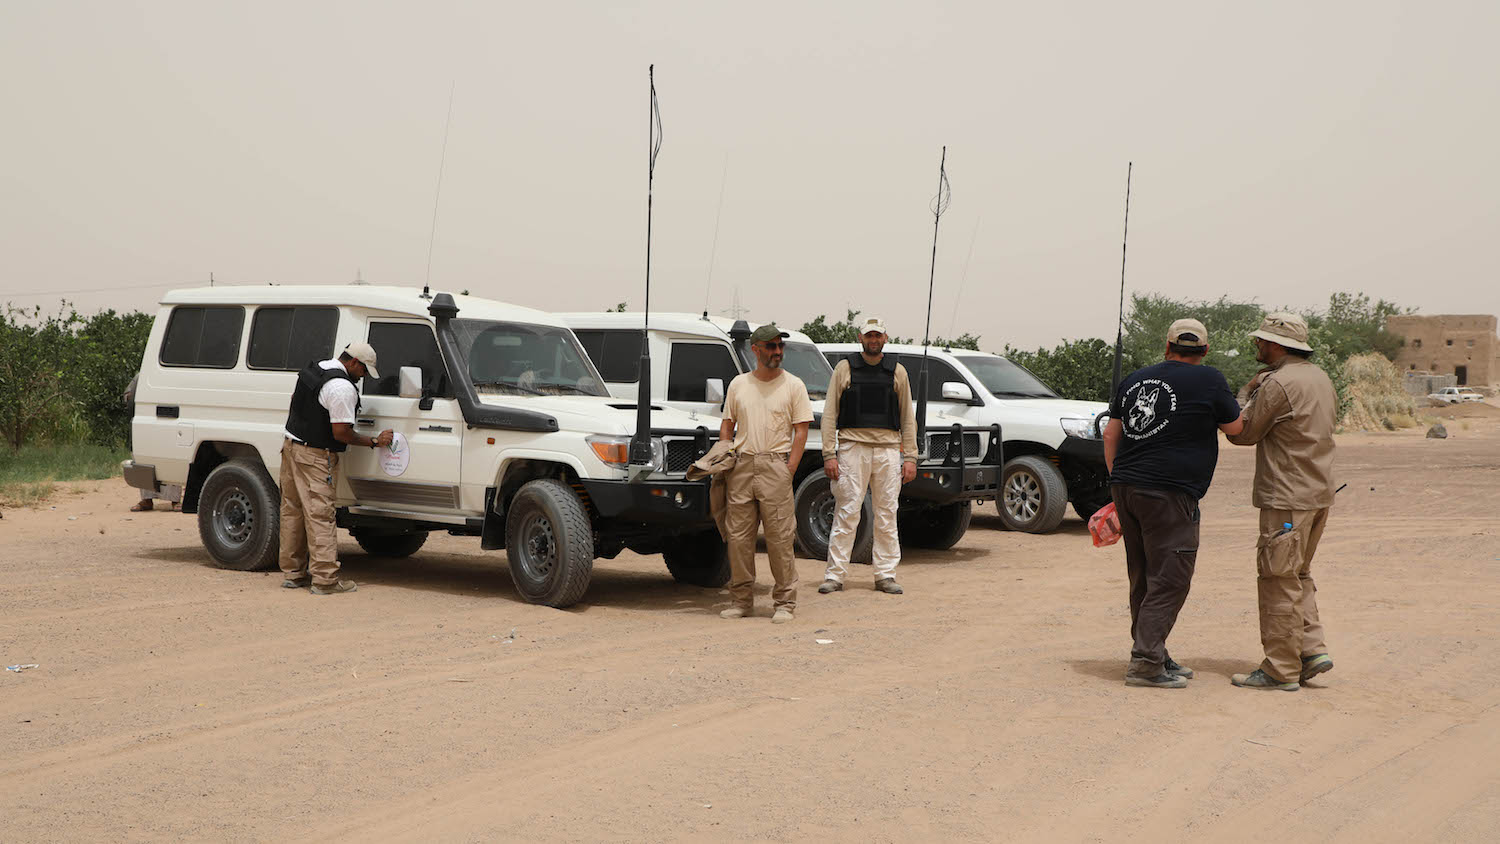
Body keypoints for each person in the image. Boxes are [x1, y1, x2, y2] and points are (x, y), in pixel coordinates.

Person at [1103, 319, 1244, 689]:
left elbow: (1110, 433)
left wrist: (1118, 481)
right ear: (1205, 350)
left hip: (1127, 488)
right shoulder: (1210, 379)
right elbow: (1236, 428)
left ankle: (1153, 651)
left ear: (1167, 347)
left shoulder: (1134, 379)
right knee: (1170, 579)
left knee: (1144, 575)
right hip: (1168, 493)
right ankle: (1145, 664)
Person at [1225, 313, 1338, 691]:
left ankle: (1281, 669)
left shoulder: (1277, 383)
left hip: (1287, 496)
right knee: (1298, 574)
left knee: (1277, 580)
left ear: (1276, 345)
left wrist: (1246, 392)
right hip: (1318, 493)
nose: (1257, 346)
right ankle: (1311, 650)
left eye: (1261, 341)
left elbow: (1242, 433)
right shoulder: (1320, 378)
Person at [278, 343, 393, 595]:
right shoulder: (342, 388)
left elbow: (297, 403)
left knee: (292, 511)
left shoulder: (317, 368)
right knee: (320, 516)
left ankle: (293, 573)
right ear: (354, 362)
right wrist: (374, 441)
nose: (363, 376)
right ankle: (325, 580)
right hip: (316, 456)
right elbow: (341, 433)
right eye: (363, 370)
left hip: (291, 447)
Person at [718, 324, 813, 623]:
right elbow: (727, 426)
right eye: (771, 346)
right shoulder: (738, 385)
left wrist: (789, 469)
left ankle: (785, 603)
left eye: (780, 346)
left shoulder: (794, 385)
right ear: (755, 349)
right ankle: (741, 601)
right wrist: (725, 458)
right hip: (742, 465)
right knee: (739, 538)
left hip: (775, 465)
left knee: (780, 538)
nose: (777, 351)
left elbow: (801, 431)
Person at [817, 316, 918, 595]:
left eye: (878, 335)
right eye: (869, 335)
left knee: (887, 514)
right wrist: (829, 453)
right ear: (860, 338)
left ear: (885, 338)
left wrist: (911, 457)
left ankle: (885, 575)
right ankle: (835, 575)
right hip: (852, 448)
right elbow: (830, 413)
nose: (873, 340)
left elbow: (907, 417)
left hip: (888, 450)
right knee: (847, 512)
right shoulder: (844, 368)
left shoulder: (897, 371)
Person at [124, 373, 182, 511]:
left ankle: (175, 500)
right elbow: (127, 395)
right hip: (146, 421)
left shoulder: (175, 376)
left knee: (171, 459)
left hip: (169, 420)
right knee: (144, 459)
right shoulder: (142, 376)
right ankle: (146, 500)